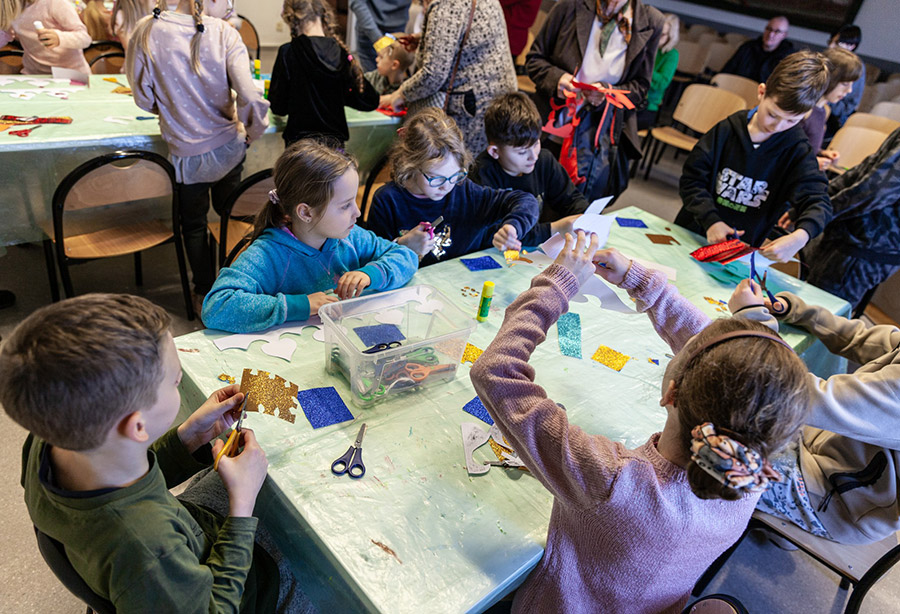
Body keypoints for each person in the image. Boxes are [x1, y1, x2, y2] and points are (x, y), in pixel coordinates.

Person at [469, 233, 811, 613]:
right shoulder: (746, 472)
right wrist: (640, 281)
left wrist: (557, 283)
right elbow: (721, 360)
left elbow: (496, 372)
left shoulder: (611, 479)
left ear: (670, 393)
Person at [0, 293, 287, 611]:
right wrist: (242, 506)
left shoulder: (46, 436)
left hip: (174, 549)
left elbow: (126, 479)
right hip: (234, 591)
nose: (180, 384)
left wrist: (187, 437)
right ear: (137, 427)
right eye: (176, 381)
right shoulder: (147, 548)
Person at [127, 0, 269, 314]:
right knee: (232, 213)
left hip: (185, 154)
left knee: (193, 224)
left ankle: (203, 290)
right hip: (230, 147)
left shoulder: (145, 30)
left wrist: (170, 108)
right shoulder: (225, 33)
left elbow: (142, 97)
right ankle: (243, 281)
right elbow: (250, 96)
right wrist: (253, 132)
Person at [732, 284, 900, 546]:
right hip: (820, 455)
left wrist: (752, 319)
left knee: (710, 448)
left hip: (836, 505)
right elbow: (860, 337)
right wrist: (797, 311)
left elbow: (802, 395)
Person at [202, 140, 418, 333]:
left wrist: (372, 273)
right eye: (345, 206)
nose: (358, 212)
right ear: (305, 212)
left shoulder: (350, 238)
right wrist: (301, 305)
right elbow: (216, 307)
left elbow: (405, 255)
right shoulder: (268, 254)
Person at [675, 51, 833, 263]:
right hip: (692, 232)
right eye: (772, 114)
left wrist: (800, 237)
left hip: (738, 251)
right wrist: (711, 221)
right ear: (762, 92)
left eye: (790, 121)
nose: (777, 126)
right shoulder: (727, 129)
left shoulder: (798, 149)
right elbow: (692, 179)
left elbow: (818, 201)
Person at [525, 0, 664, 200]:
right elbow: (534, 59)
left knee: (573, 211)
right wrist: (557, 79)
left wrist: (608, 92)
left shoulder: (651, 21)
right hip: (552, 123)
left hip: (599, 137)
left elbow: (640, 87)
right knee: (529, 199)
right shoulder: (570, 5)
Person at [368, 107, 539, 264]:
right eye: (436, 179)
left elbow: (525, 201)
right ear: (411, 165)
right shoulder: (387, 201)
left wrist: (512, 226)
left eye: (454, 176)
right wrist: (401, 245)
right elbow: (371, 259)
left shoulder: (463, 190)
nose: (446, 187)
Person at [378, 0, 517, 155]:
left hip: (470, 108)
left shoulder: (446, 4)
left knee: (457, 168)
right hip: (493, 103)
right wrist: (427, 38)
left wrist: (400, 94)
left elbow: (433, 74)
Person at [795, 127, 900, 309]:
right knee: (799, 300)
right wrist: (817, 203)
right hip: (849, 236)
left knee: (815, 316)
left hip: (864, 247)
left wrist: (819, 213)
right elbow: (865, 169)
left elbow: (874, 192)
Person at [471, 92, 585, 245]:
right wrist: (554, 228)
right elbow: (494, 236)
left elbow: (572, 200)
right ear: (495, 152)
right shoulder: (480, 176)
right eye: (522, 152)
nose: (533, 157)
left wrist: (585, 218)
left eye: (536, 144)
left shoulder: (544, 160)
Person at [269, 0, 379, 147]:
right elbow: (369, 100)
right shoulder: (342, 53)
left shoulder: (288, 52)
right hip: (334, 149)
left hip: (300, 148)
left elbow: (278, 108)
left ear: (291, 19)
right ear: (323, 16)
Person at [799, 47, 862, 171]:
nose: (849, 90)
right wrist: (813, 162)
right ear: (830, 79)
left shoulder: (824, 110)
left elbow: (806, 148)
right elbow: (783, 152)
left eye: (851, 85)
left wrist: (821, 153)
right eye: (844, 84)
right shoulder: (803, 110)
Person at [0, 0, 90, 75]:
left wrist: (59, 38)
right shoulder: (14, 8)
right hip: (34, 75)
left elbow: (85, 38)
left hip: (71, 74)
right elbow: (6, 35)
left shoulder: (55, 3)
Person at [720, 16, 794, 84]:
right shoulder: (747, 47)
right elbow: (727, 71)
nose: (771, 34)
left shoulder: (787, 59)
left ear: (784, 35)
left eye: (777, 31)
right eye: (769, 29)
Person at [638, 12, 679, 131]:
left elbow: (661, 83)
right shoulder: (644, 46)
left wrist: (644, 67)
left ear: (670, 36)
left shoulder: (671, 55)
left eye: (662, 34)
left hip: (647, 106)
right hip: (630, 97)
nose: (657, 36)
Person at [825, 24, 865, 140]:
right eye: (830, 42)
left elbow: (847, 107)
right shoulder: (825, 58)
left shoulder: (856, 68)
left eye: (837, 43)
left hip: (832, 120)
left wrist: (826, 101)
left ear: (851, 46)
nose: (831, 46)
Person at [348, 0, 410, 71]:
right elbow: (357, 2)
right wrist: (378, 41)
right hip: (369, 31)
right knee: (372, 78)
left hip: (397, 31)